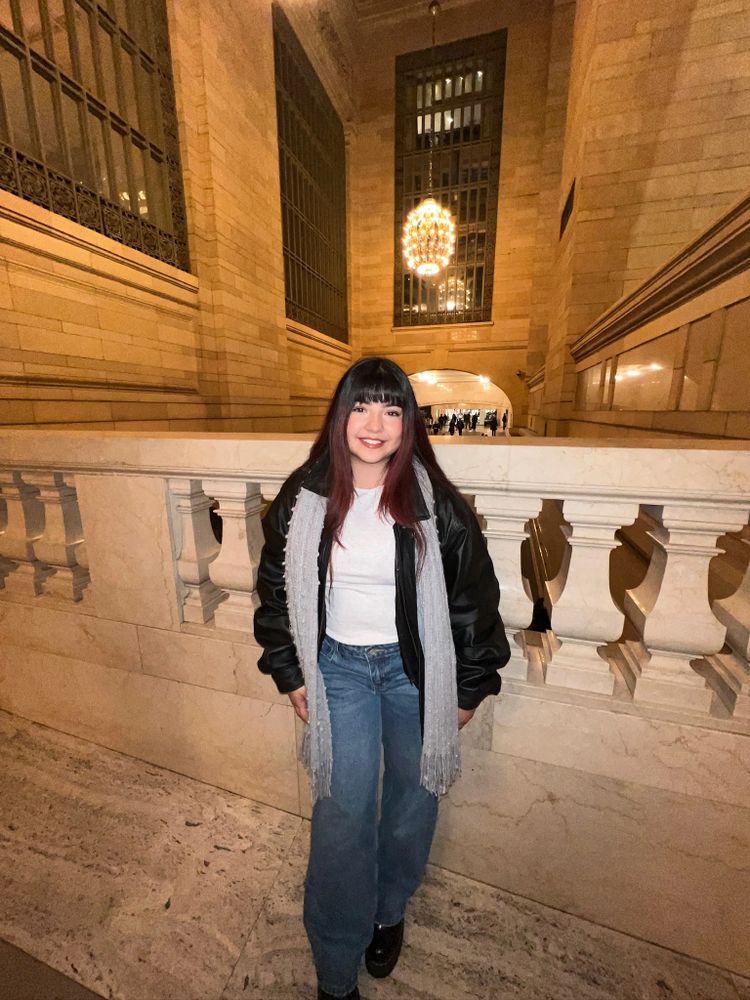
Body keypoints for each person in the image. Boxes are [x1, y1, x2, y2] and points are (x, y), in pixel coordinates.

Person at [253, 357, 510, 1000]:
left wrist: (469, 689)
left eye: (391, 410)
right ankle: (335, 972)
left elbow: (474, 601)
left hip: (414, 674)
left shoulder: (433, 502)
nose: (375, 424)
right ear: (340, 416)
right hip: (337, 670)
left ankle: (387, 910)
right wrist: (290, 673)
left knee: (410, 804)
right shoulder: (304, 495)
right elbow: (275, 593)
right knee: (341, 816)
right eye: (362, 407)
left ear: (408, 423)